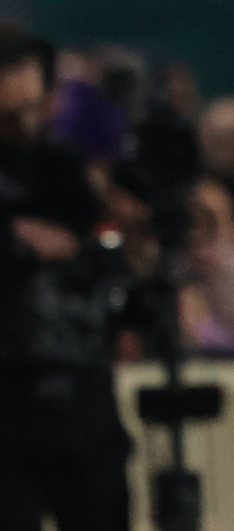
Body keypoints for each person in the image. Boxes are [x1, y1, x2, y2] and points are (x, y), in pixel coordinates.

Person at [0, 28, 131, 531]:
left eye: (35, 107)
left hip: (82, 400)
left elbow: (102, 256)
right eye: (9, 117)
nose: (26, 125)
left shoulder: (65, 169)